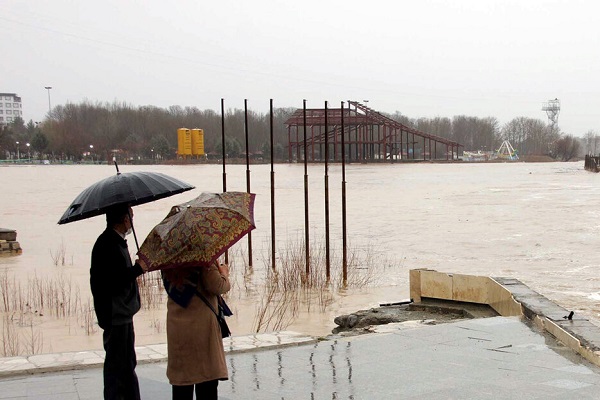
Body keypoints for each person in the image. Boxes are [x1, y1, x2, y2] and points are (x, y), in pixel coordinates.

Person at [90, 205, 148, 400]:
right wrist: (138, 269)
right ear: (124, 220)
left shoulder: (114, 242)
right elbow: (115, 280)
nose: (132, 220)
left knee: (126, 364)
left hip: (121, 314)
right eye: (131, 216)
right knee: (118, 367)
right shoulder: (108, 244)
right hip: (116, 315)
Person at [162, 262, 231, 400]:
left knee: (182, 383)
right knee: (206, 382)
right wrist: (224, 273)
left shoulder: (167, 260)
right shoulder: (203, 259)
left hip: (177, 328)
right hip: (201, 329)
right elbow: (218, 286)